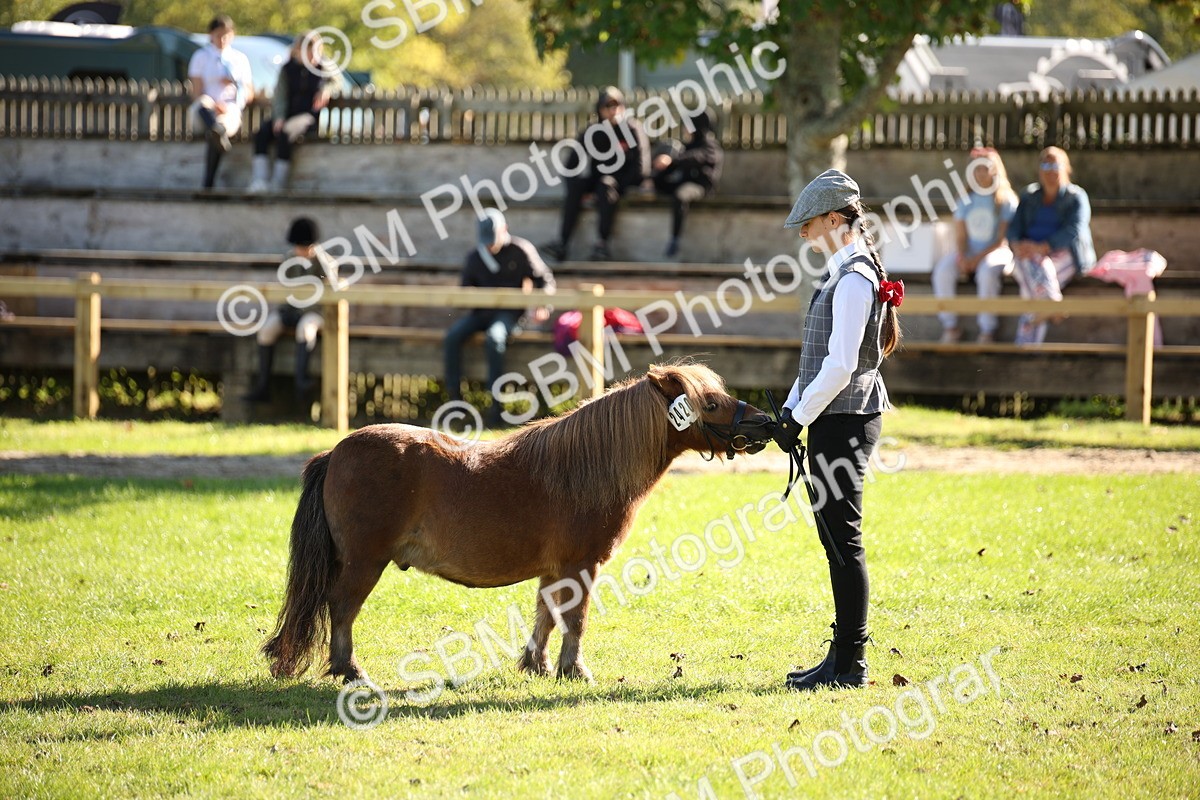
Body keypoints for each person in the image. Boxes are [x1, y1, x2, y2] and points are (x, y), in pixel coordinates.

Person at [771, 169, 903, 692]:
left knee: (843, 542)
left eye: (809, 222)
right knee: (835, 540)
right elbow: (816, 362)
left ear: (833, 219)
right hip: (836, 417)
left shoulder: (852, 279)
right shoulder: (845, 272)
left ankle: (850, 664)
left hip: (845, 419)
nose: (803, 232)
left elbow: (842, 366)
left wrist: (798, 417)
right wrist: (790, 409)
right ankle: (843, 658)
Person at [445, 209, 555, 424]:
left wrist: (543, 304)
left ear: (504, 230)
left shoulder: (520, 250)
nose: (489, 245)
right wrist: (467, 298)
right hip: (481, 313)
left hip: (510, 314)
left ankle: (496, 406)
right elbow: (464, 291)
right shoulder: (475, 256)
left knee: (494, 338)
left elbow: (545, 279)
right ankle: (455, 403)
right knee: (453, 336)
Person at [543, 87, 650, 262]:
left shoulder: (631, 129)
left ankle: (602, 244)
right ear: (600, 110)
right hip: (598, 179)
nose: (613, 110)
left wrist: (621, 187)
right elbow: (570, 165)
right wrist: (578, 187)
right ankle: (562, 243)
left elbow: (641, 168)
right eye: (608, 106)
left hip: (620, 183)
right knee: (577, 186)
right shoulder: (593, 131)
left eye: (617, 105)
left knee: (605, 185)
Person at [244, 217, 340, 404]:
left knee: (305, 329)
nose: (301, 251)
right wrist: (285, 309)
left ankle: (301, 381)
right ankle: (263, 386)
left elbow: (331, 287)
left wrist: (320, 259)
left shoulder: (325, 262)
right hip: (292, 310)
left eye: (304, 247)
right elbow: (284, 288)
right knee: (266, 330)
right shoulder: (289, 260)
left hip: (315, 313)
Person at [1008, 146, 1096, 344]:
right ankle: (1051, 304)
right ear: (1039, 170)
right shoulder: (1029, 196)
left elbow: (1075, 229)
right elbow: (1014, 228)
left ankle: (1025, 347)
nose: (1050, 171)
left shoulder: (1076, 197)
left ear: (1066, 168)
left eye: (1055, 165)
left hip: (1066, 255)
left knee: (1032, 279)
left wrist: (1043, 247)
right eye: (1046, 165)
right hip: (1031, 255)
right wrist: (1017, 245)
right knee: (1031, 265)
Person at [931, 147, 1018, 344]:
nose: (981, 173)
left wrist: (977, 260)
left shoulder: (1006, 201)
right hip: (970, 252)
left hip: (997, 252)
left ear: (995, 170)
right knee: (943, 271)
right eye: (977, 168)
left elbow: (1001, 240)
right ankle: (951, 327)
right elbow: (961, 236)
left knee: (987, 273)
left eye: (985, 168)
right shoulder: (965, 200)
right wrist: (963, 257)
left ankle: (987, 330)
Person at [249, 33, 334, 193]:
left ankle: (278, 183)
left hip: (307, 117)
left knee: (286, 133)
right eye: (308, 52)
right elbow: (280, 95)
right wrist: (279, 117)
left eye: (314, 52)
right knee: (262, 133)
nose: (312, 56)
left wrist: (326, 89)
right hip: (287, 115)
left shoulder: (322, 69)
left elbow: (335, 81)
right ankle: (260, 180)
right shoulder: (288, 69)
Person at [187, 15, 254, 189]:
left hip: (229, 108)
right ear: (211, 35)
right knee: (204, 106)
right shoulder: (201, 56)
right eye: (218, 35)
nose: (222, 40)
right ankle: (215, 129)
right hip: (206, 108)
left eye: (226, 35)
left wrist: (234, 87)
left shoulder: (239, 59)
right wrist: (214, 105)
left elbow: (249, 92)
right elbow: (196, 92)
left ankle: (208, 183)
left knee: (217, 131)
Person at [652, 108, 724, 258]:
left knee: (681, 195)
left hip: (700, 187)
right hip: (684, 181)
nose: (684, 129)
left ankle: (675, 238)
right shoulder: (688, 145)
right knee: (659, 184)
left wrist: (674, 160)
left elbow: (696, 158)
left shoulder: (710, 146)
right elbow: (676, 164)